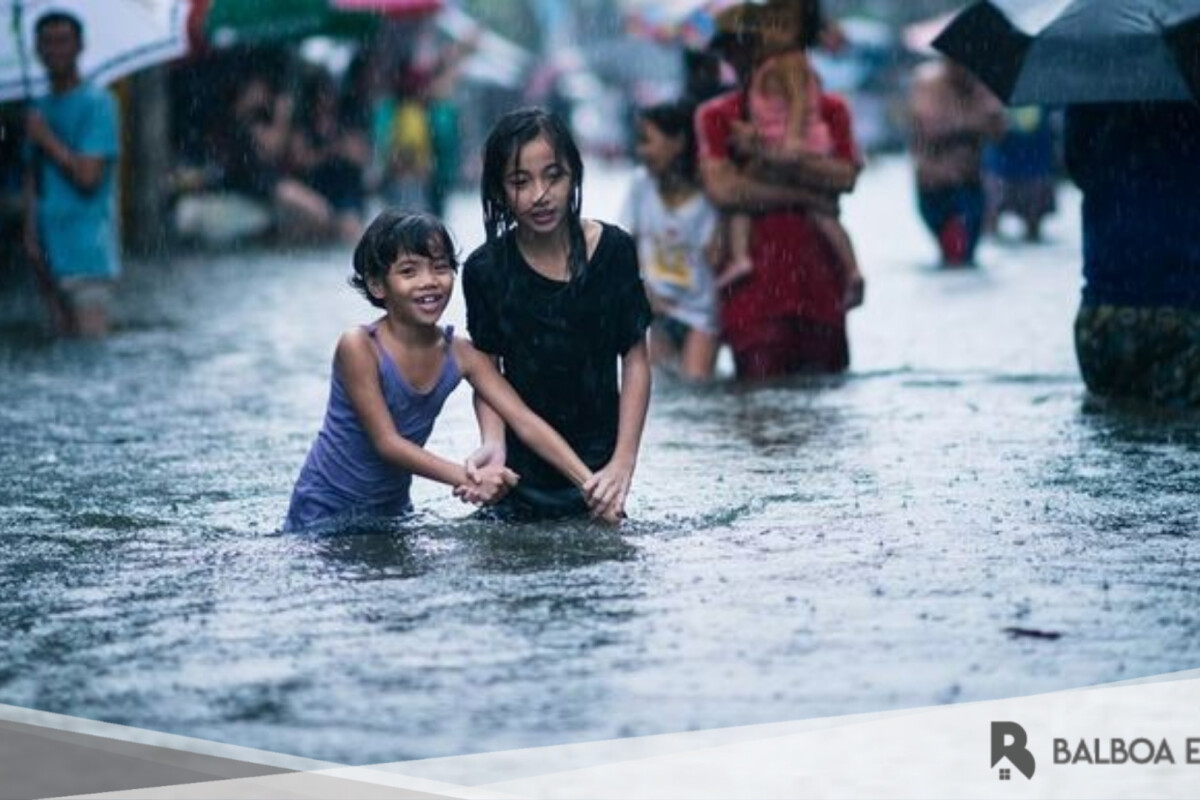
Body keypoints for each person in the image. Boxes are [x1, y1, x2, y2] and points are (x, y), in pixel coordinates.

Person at [284, 209, 615, 532]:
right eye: (409, 271)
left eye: (440, 267)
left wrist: (592, 488)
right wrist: (469, 478)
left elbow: (523, 419)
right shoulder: (359, 346)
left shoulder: (461, 353)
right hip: (323, 511)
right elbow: (387, 443)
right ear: (377, 285)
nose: (429, 282)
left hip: (391, 514)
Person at [461, 107, 653, 521]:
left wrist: (623, 463)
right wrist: (493, 444)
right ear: (498, 190)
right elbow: (486, 374)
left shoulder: (614, 251)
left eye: (553, 176)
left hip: (601, 471)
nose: (540, 195)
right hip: (518, 476)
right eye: (520, 182)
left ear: (574, 176)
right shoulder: (484, 271)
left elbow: (636, 360)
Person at [695, 0, 862, 380]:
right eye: (729, 48)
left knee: (825, 397)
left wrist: (770, 157)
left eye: (743, 44)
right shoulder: (717, 115)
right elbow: (724, 191)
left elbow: (845, 178)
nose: (737, 57)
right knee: (760, 399)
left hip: (820, 289)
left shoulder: (829, 109)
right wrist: (805, 192)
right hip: (753, 296)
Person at [719, 0, 863, 308]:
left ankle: (850, 268)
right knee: (821, 211)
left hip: (795, 149)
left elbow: (799, 103)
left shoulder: (790, 62)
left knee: (814, 211)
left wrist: (792, 142)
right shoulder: (759, 77)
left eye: (783, 25)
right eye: (768, 24)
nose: (772, 32)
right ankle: (851, 269)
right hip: (770, 281)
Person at [1064, 101, 1200, 409]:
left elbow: (1076, 163)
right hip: (1187, 316)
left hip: (1102, 321)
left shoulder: (1091, 86)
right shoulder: (1191, 89)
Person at [21, 11, 121, 338]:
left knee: (90, 351)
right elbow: (32, 178)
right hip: (48, 254)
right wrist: (30, 234)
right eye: (48, 42)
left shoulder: (99, 104)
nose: (56, 50)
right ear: (37, 49)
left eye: (63, 41)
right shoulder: (37, 109)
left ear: (80, 46)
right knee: (61, 347)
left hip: (88, 254)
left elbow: (88, 177)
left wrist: (46, 138)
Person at [622, 100, 721, 380]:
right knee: (662, 389)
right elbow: (626, 246)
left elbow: (716, 258)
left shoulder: (710, 195)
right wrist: (643, 293)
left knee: (695, 388)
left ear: (678, 142)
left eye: (647, 141)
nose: (641, 151)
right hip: (657, 309)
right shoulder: (641, 185)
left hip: (701, 314)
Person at [907, 57, 1005, 266]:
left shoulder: (981, 87)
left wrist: (988, 108)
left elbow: (998, 132)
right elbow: (930, 127)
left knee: (965, 255)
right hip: (936, 183)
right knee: (955, 254)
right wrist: (970, 121)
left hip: (970, 182)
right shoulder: (928, 83)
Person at [983, 105, 1058, 242]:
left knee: (1033, 229)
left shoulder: (1047, 99)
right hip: (1001, 167)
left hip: (1035, 167)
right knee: (990, 227)